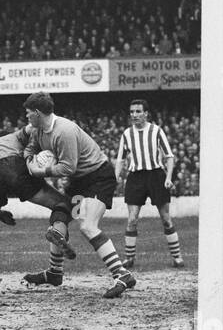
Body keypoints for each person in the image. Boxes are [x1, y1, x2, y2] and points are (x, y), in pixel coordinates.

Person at [20, 91, 137, 298]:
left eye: (28, 113)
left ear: (38, 112)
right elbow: (29, 149)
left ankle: (122, 274)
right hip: (79, 183)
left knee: (87, 225)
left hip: (98, 179)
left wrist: (41, 171)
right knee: (59, 217)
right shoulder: (38, 130)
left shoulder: (63, 131)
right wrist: (31, 161)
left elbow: (67, 168)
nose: (26, 117)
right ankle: (55, 273)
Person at [0, 122, 76, 292]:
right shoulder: (13, 137)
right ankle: (56, 265)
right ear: (4, 137)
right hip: (14, 166)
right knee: (62, 204)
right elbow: (34, 127)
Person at [115, 98, 183, 269]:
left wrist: (168, 178)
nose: (134, 115)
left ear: (146, 113)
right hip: (135, 177)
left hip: (156, 176)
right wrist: (115, 176)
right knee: (132, 219)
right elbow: (120, 159)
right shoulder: (126, 134)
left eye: (138, 111)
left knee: (166, 219)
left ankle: (177, 257)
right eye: (132, 112)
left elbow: (169, 156)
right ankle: (129, 259)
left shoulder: (156, 131)